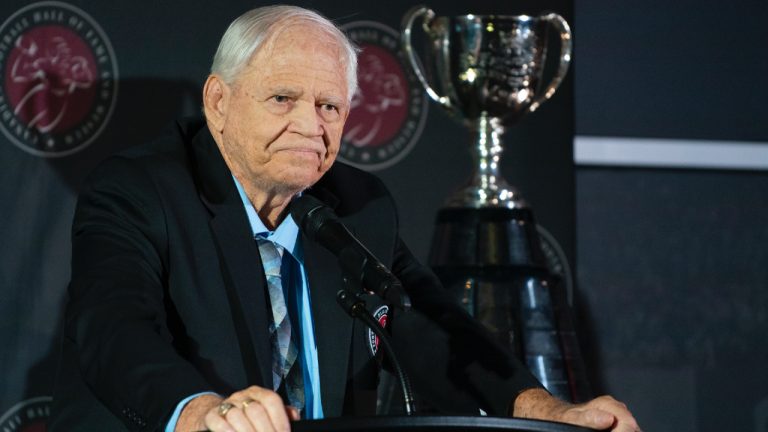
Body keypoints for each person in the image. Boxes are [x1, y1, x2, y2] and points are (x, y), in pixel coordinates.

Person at [49, 5, 640, 432]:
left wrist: (547, 408)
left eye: (329, 105)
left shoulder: (358, 206)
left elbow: (430, 326)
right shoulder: (140, 190)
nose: (312, 126)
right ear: (219, 103)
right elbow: (113, 328)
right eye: (283, 98)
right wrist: (200, 411)